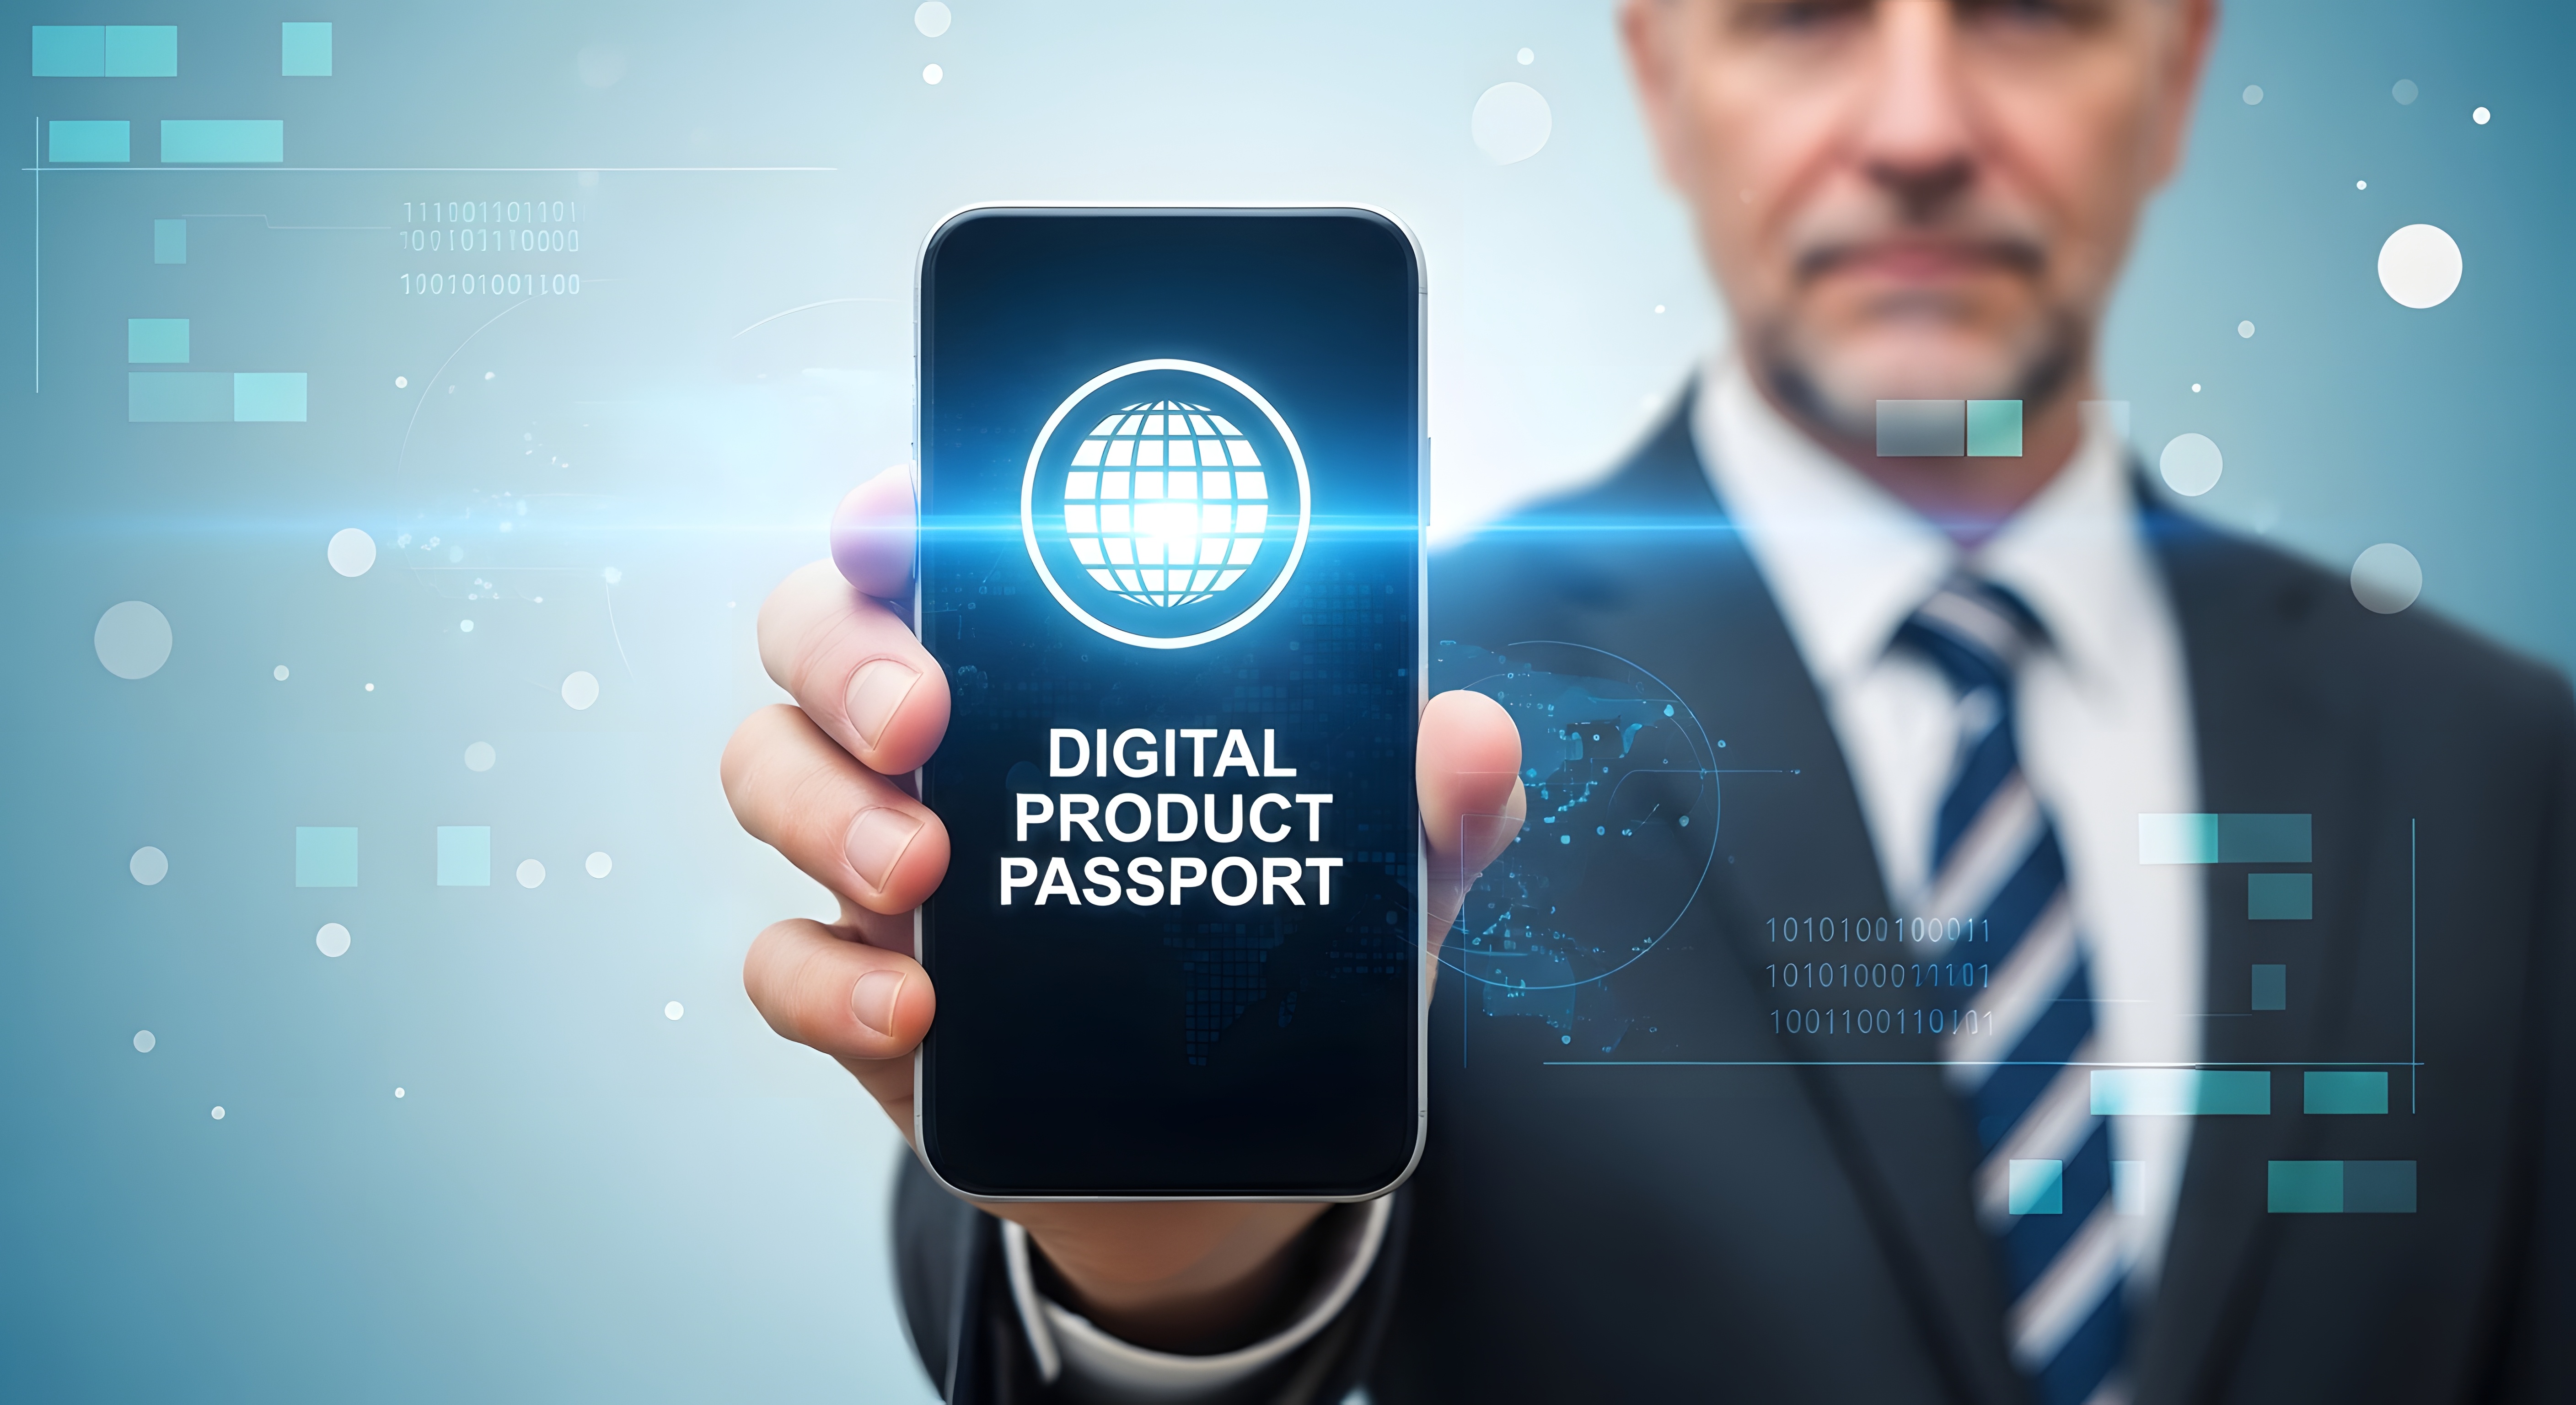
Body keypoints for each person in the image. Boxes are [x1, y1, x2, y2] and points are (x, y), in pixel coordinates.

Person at [720, 0, 2574, 1400]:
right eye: (1797, 12)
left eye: (2025, 7)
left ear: (2173, 70)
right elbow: (1114, 1295)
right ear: (1657, 74)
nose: (1918, 128)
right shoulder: (1371, 696)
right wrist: (1165, 1255)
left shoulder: (2502, 770)